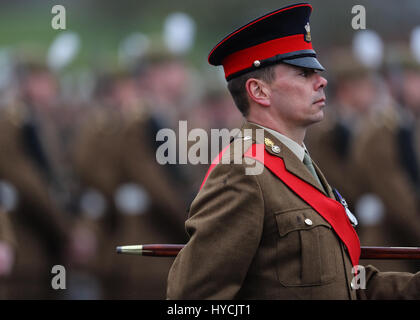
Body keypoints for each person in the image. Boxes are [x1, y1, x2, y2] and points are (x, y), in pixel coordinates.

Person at [167, 3, 420, 299]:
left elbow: (346, 286)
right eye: (303, 73)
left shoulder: (296, 161)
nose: (322, 80)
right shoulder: (242, 173)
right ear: (259, 91)